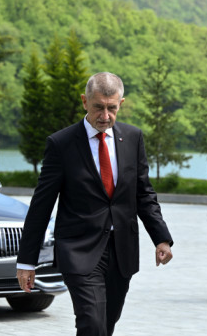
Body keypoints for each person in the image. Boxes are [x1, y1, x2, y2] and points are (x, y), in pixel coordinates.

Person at [16, 72, 173, 336]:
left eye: (112, 108)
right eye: (98, 107)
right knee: (92, 323)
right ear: (84, 101)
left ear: (121, 103)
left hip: (121, 250)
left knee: (107, 323)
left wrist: (161, 238)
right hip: (78, 249)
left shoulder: (133, 138)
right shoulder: (61, 144)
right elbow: (41, 204)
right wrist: (27, 261)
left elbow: (144, 194)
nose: (105, 116)